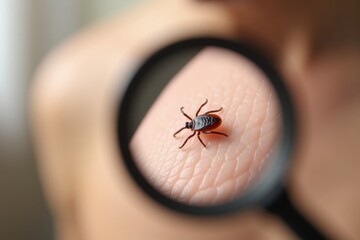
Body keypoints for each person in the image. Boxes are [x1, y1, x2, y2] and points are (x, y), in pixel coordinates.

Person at [31, 0, 360, 239]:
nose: (191, 126)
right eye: (190, 125)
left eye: (190, 124)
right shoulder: (76, 88)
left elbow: (202, 121)